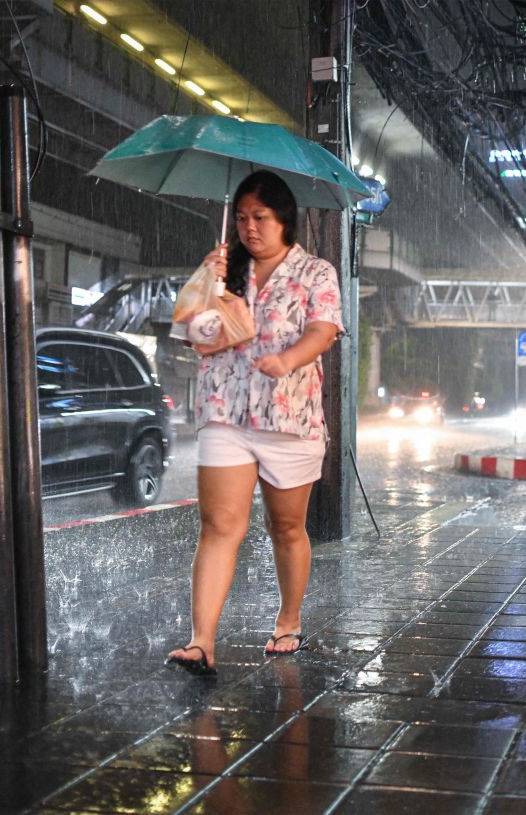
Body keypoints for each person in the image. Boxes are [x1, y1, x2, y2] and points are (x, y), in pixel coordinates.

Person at [167, 170, 343, 675]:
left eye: (260, 217)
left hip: (290, 418)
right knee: (219, 525)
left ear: (283, 219)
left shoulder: (316, 272)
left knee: (286, 527)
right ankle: (202, 641)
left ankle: (287, 620)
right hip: (224, 409)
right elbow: (192, 332)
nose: (249, 227)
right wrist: (207, 279)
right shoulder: (224, 268)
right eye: (242, 217)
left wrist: (286, 361)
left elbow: (324, 332)